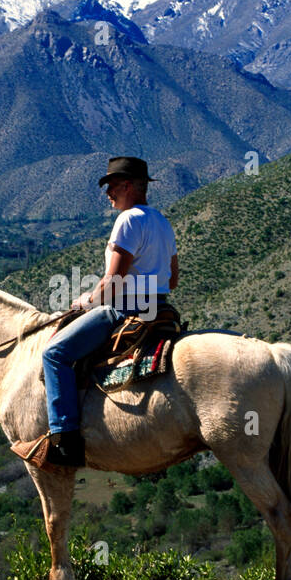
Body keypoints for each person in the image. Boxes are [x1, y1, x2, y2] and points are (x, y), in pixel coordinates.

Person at [42, 156, 178, 468]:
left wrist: (85, 302)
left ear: (129, 186)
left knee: (54, 354)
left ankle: (65, 438)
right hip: (161, 309)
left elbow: (113, 281)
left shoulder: (128, 220)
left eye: (112, 186)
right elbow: (173, 279)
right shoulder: (162, 221)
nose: (108, 194)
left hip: (124, 310)